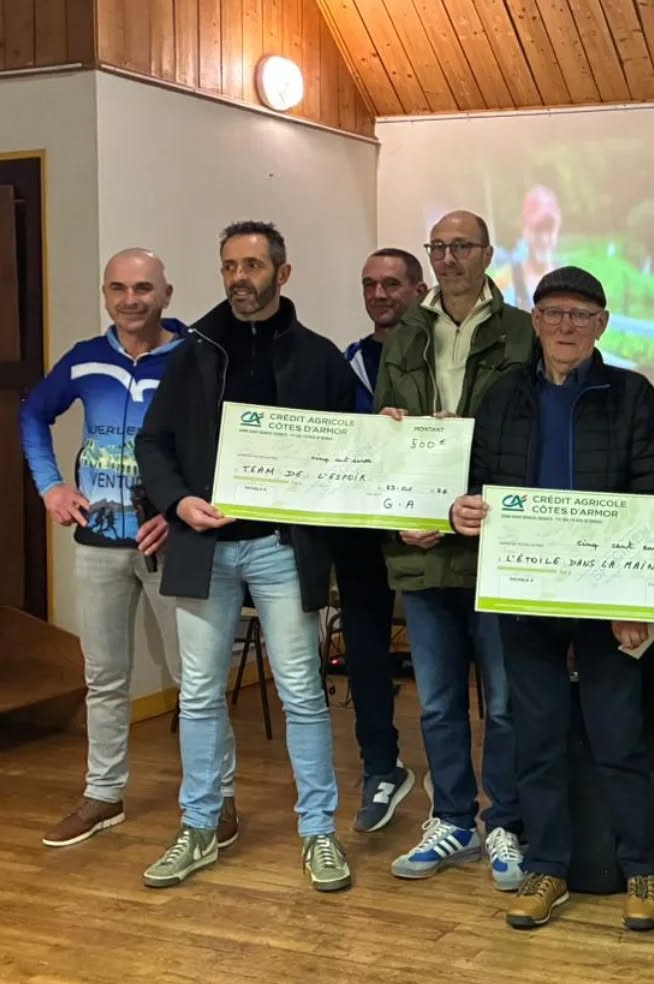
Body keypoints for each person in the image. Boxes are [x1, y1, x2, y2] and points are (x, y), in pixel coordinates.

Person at [134, 220, 355, 893]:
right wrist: (178, 503)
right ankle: (199, 826)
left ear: (281, 273)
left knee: (302, 693)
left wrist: (390, 429)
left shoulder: (319, 356)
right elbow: (153, 444)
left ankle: (319, 831)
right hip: (205, 549)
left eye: (252, 266)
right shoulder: (194, 352)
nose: (239, 278)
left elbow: (357, 439)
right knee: (200, 694)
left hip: (282, 549)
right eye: (229, 265)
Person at [450, 265, 654, 931]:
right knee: (536, 740)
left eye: (579, 314)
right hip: (526, 594)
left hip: (608, 600)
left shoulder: (631, 394)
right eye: (552, 312)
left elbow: (650, 495)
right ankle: (547, 867)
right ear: (535, 321)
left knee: (618, 737)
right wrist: (461, 510)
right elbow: (474, 482)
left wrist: (634, 598)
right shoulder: (501, 396)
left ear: (602, 324)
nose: (565, 325)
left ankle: (642, 869)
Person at [20, 249, 240, 849]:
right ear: (106, 295)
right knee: (104, 676)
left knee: (196, 680)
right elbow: (32, 415)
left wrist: (178, 507)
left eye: (143, 288)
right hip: (97, 543)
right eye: (117, 288)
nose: (130, 300)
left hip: (174, 543)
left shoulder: (195, 357)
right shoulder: (85, 358)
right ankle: (103, 793)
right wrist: (51, 486)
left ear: (166, 294)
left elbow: (222, 445)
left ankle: (219, 798)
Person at [374, 211, 532, 889]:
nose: (447, 258)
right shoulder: (406, 331)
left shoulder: (522, 331)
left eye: (461, 246)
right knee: (437, 702)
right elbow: (383, 439)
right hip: (425, 546)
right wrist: (400, 517)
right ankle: (454, 820)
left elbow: (530, 434)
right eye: (437, 247)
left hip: (497, 541)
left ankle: (507, 822)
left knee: (505, 703)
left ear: (488, 253)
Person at [334, 248, 428, 833]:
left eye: (392, 283)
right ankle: (380, 767)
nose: (379, 294)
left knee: (445, 657)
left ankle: (454, 778)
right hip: (362, 528)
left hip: (430, 527)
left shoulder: (440, 356)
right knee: (366, 653)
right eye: (369, 284)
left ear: (419, 290)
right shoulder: (347, 363)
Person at [494, 184, 562, 310]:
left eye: (549, 229)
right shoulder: (503, 284)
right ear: (524, 229)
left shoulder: (571, 284)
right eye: (537, 230)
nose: (544, 239)